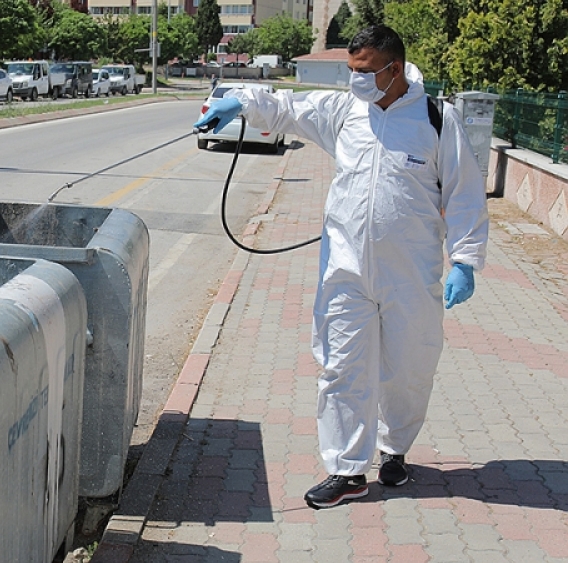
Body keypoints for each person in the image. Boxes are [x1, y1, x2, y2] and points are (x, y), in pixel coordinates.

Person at [194, 25, 488, 509]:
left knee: (409, 368)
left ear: (395, 69)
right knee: (341, 367)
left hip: (410, 274)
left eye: (365, 72)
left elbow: (464, 193)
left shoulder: (437, 119)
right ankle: (347, 470)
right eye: (351, 71)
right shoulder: (345, 111)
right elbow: (289, 107)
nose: (356, 81)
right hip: (345, 269)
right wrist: (240, 102)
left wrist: (465, 260)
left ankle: (394, 450)